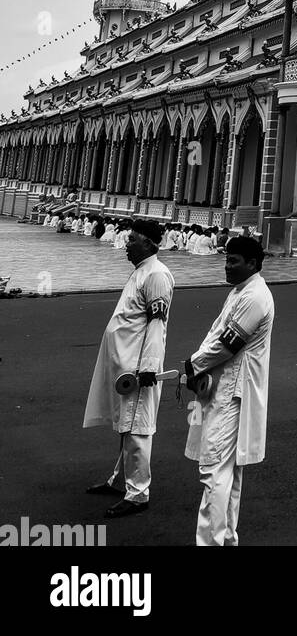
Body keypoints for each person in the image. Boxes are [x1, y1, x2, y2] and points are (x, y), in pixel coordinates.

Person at [180, 236, 275, 546]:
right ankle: (226, 539)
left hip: (232, 392)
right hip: (224, 386)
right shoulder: (241, 292)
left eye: (234, 261)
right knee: (227, 473)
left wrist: (191, 366)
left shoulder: (255, 297)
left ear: (252, 263)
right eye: (226, 260)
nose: (227, 266)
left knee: (214, 471)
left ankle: (212, 542)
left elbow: (226, 346)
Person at [82, 219, 175, 518]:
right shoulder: (141, 272)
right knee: (127, 425)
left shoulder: (158, 275)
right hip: (124, 363)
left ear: (148, 243)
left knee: (137, 428)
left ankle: (138, 493)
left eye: (133, 238)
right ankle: (120, 480)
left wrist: (148, 366)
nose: (127, 243)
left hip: (137, 368)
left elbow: (156, 325)